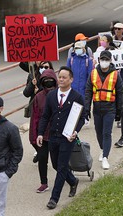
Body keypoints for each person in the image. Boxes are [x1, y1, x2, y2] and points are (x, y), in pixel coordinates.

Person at [37, 66, 85, 209]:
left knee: (62, 166)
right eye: (60, 77)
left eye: (64, 77)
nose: (61, 79)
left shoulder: (77, 97)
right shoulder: (52, 95)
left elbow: (82, 117)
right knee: (56, 165)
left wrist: (75, 131)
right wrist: (40, 133)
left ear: (71, 79)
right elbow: (45, 116)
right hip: (53, 136)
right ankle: (73, 181)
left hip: (67, 138)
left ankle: (54, 198)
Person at [85, 50, 123, 169]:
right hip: (97, 108)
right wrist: (87, 108)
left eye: (106, 60)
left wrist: (119, 111)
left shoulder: (116, 75)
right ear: (99, 60)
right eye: (102, 59)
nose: (104, 62)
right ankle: (103, 149)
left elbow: (120, 93)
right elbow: (88, 92)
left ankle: (105, 157)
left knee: (107, 133)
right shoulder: (93, 73)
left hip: (110, 108)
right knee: (99, 132)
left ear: (110, 61)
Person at [29, 69, 57, 193]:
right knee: (42, 159)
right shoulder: (38, 97)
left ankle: (69, 178)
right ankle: (43, 183)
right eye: (46, 81)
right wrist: (34, 136)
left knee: (58, 162)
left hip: (57, 134)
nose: (48, 83)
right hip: (42, 135)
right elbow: (34, 118)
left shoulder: (60, 94)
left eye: (51, 81)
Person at [22, 60, 54, 163]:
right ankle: (40, 151)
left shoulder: (52, 78)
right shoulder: (33, 76)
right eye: (42, 66)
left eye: (46, 67)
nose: (44, 68)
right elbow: (26, 93)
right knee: (33, 134)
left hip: (49, 110)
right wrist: (32, 85)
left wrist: (39, 90)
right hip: (36, 110)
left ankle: (44, 152)